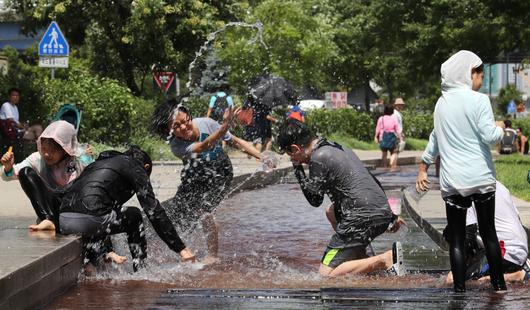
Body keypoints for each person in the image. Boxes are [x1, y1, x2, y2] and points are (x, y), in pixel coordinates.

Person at [416, 50, 507, 292]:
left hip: (453, 181)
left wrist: (423, 166)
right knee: (489, 234)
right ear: (469, 73)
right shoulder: (479, 100)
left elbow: (435, 139)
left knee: (456, 240)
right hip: (481, 178)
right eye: (479, 74)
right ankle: (499, 287)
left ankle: (459, 291)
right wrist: (503, 130)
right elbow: (489, 136)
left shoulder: (441, 103)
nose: (481, 80)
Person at [277, 119, 405, 277]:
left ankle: (384, 259)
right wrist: (389, 213)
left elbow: (314, 200)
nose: (292, 158)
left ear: (295, 149)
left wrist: (297, 168)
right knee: (331, 211)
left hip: (361, 216)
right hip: (379, 212)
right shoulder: (336, 146)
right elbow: (370, 180)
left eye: (290, 154)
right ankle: (361, 258)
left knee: (326, 274)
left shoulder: (318, 157)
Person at [59, 146, 195, 271]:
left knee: (106, 212)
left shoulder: (97, 164)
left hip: (64, 220)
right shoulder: (134, 166)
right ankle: (141, 269)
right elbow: (153, 209)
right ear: (146, 167)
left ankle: (100, 257)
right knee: (134, 215)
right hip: (91, 220)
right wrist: (180, 248)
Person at [164, 102, 262, 260]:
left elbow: (234, 141)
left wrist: (262, 156)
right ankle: (182, 251)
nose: (183, 127)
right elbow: (204, 146)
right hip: (195, 175)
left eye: (185, 121)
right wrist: (224, 126)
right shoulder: (176, 146)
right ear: (170, 130)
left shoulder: (207, 123)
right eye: (176, 126)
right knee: (176, 214)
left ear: (190, 116)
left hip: (220, 173)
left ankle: (212, 256)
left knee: (204, 211)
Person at [0, 120, 93, 232]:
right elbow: (11, 174)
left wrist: (88, 160)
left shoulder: (80, 157)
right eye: (44, 149)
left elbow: (94, 184)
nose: (47, 154)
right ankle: (47, 219)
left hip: (74, 210)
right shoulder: (37, 158)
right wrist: (8, 167)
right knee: (25, 172)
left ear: (65, 149)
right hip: (52, 209)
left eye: (53, 150)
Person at [445, 181, 529, 285]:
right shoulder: (497, 184)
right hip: (521, 249)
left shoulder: (465, 189)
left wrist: (456, 269)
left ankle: (516, 275)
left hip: (506, 253)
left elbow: (467, 238)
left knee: (459, 282)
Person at [374, 105, 403, 170]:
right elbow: (397, 130)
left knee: (384, 154)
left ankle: (384, 166)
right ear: (392, 111)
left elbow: (377, 128)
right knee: (393, 152)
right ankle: (391, 164)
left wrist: (376, 137)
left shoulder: (381, 118)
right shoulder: (394, 119)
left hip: (383, 138)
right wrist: (400, 138)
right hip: (392, 139)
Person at [390, 98, 406, 169]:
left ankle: (392, 165)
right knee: (396, 151)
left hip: (395, 134)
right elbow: (396, 126)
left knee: (394, 151)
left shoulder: (397, 113)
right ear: (396, 105)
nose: (401, 106)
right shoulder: (395, 114)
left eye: (401, 105)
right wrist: (400, 135)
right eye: (399, 105)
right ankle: (393, 166)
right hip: (396, 134)